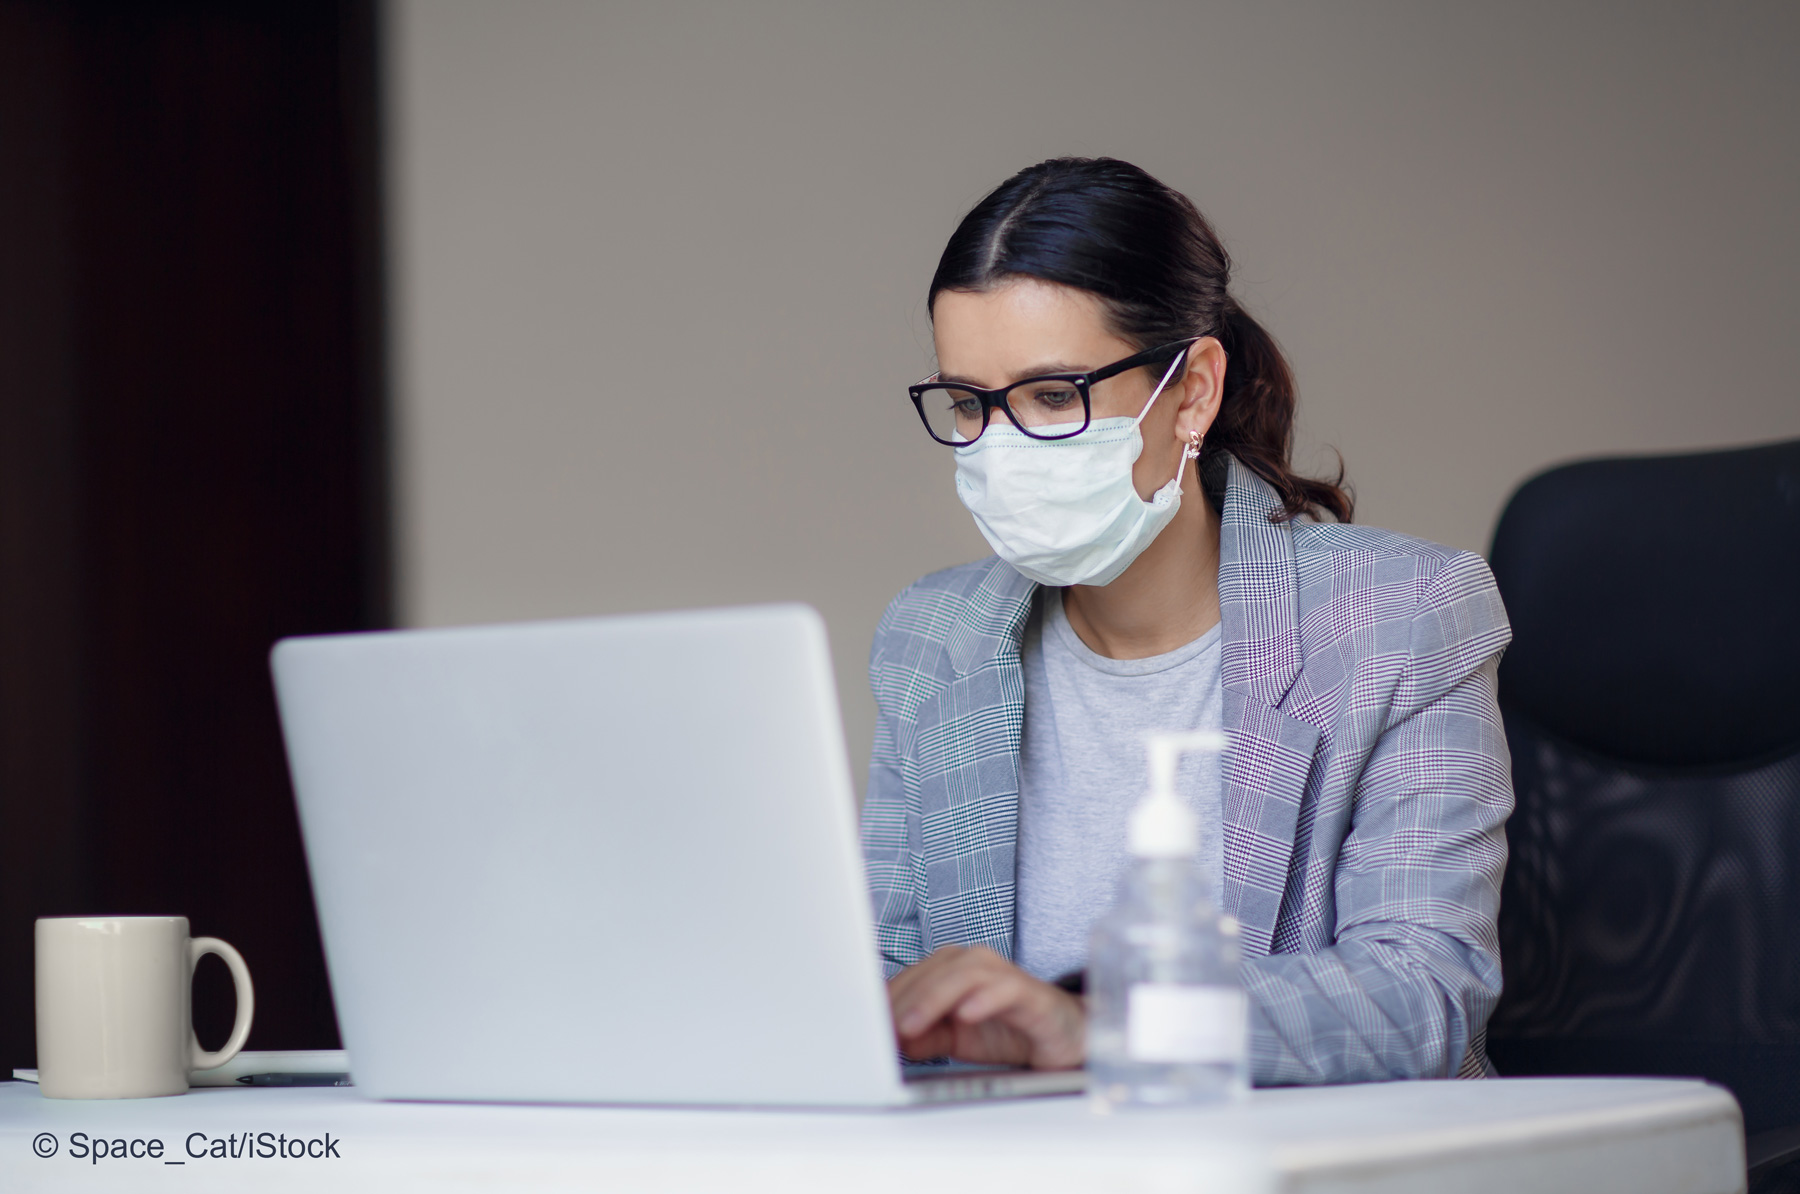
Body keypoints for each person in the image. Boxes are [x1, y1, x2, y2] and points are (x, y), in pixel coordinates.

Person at [860, 157, 1513, 1085]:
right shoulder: (932, 639)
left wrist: (1104, 1026)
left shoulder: (1403, 616)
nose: (1000, 449)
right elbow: (884, 979)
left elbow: (1425, 993)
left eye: (1054, 396)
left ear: (1194, 390)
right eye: (970, 404)